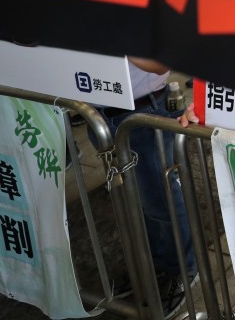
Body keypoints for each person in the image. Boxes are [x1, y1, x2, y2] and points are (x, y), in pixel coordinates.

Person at [93, 57, 198, 316]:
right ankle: (156, 265)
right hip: (98, 112)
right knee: (135, 200)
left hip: (144, 109)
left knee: (160, 201)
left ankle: (181, 269)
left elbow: (160, 63)